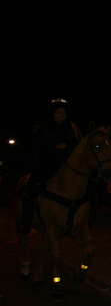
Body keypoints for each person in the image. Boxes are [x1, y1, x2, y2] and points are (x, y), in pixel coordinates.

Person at [19, 98, 82, 234]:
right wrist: (53, 147)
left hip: (64, 166)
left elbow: (78, 145)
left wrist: (67, 146)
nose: (61, 115)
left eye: (64, 113)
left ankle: (81, 218)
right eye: (59, 112)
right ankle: (26, 220)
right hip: (44, 165)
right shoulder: (42, 127)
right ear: (53, 113)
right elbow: (34, 145)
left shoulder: (71, 128)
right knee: (30, 189)